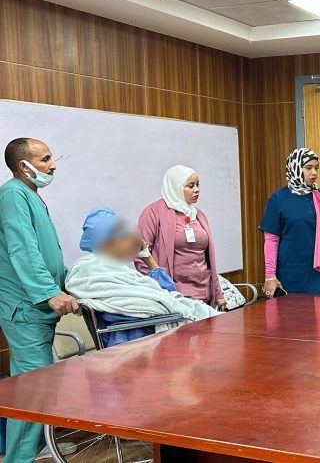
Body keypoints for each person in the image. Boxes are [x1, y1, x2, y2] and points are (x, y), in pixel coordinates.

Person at [0, 137, 79, 463]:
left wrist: (70, 281)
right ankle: (19, 458)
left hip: (36, 306)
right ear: (24, 166)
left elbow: (46, 252)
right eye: (45, 159)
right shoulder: (13, 195)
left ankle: (33, 447)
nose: (53, 165)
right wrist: (49, 293)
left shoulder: (29, 194)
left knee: (39, 384)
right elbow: (23, 249)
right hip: (25, 307)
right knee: (33, 388)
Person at [66, 208, 219, 344]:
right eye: (124, 238)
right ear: (104, 244)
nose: (132, 242)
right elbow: (146, 307)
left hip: (149, 336)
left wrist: (147, 257)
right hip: (134, 342)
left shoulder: (118, 270)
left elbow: (166, 293)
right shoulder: (93, 270)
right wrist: (174, 309)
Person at [136, 165, 225, 309]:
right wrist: (162, 288)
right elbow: (140, 255)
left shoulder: (198, 215)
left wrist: (218, 292)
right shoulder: (153, 213)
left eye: (197, 184)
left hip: (204, 293)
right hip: (174, 296)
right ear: (175, 186)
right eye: (190, 186)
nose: (197, 189)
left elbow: (209, 260)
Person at [260, 148, 320, 297]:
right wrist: (270, 275)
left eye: (316, 168)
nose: (314, 173)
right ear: (296, 167)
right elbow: (271, 240)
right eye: (308, 167)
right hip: (290, 272)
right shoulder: (278, 198)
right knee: (291, 310)